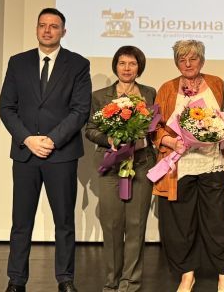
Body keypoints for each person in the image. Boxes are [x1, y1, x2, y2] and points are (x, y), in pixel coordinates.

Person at [0, 7, 91, 292]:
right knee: (21, 221)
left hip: (61, 154)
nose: (47, 30)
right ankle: (16, 280)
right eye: (42, 25)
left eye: (54, 26)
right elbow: (6, 107)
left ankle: (65, 279)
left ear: (63, 31)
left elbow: (80, 110)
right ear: (37, 29)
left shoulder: (78, 64)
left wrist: (51, 140)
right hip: (25, 153)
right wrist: (28, 139)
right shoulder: (18, 62)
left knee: (64, 221)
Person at [152, 40, 224, 292]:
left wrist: (223, 126)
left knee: (217, 222)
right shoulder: (167, 88)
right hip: (179, 167)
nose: (188, 64)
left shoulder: (216, 83)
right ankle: (187, 275)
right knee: (181, 225)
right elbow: (155, 127)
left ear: (202, 60)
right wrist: (170, 141)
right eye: (182, 59)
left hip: (212, 164)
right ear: (176, 62)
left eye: (193, 58)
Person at [84, 45, 156, 292]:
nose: (127, 68)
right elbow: (90, 129)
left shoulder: (149, 93)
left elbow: (154, 127)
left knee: (136, 224)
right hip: (111, 166)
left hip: (141, 164)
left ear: (139, 67)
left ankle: (130, 283)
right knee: (112, 225)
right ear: (115, 66)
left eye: (132, 64)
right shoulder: (100, 96)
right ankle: (112, 282)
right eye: (122, 63)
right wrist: (110, 140)